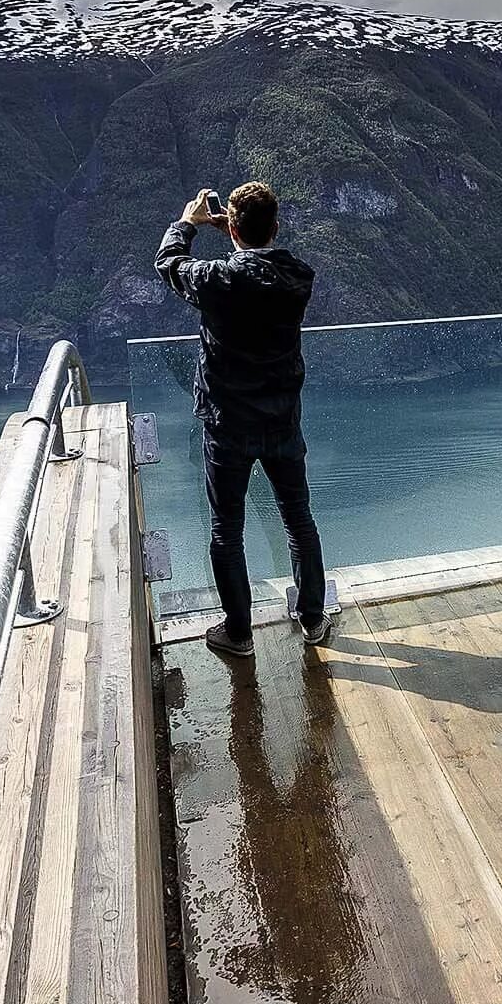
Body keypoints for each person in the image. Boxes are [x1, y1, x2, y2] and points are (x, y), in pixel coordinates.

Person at [156, 181, 329, 655]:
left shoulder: (216, 281)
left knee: (226, 529)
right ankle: (313, 620)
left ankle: (240, 632)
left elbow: (168, 264)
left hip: (227, 425)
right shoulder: (299, 278)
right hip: (282, 423)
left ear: (230, 227)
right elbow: (259, 267)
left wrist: (190, 224)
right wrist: (236, 236)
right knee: (298, 520)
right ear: (275, 227)